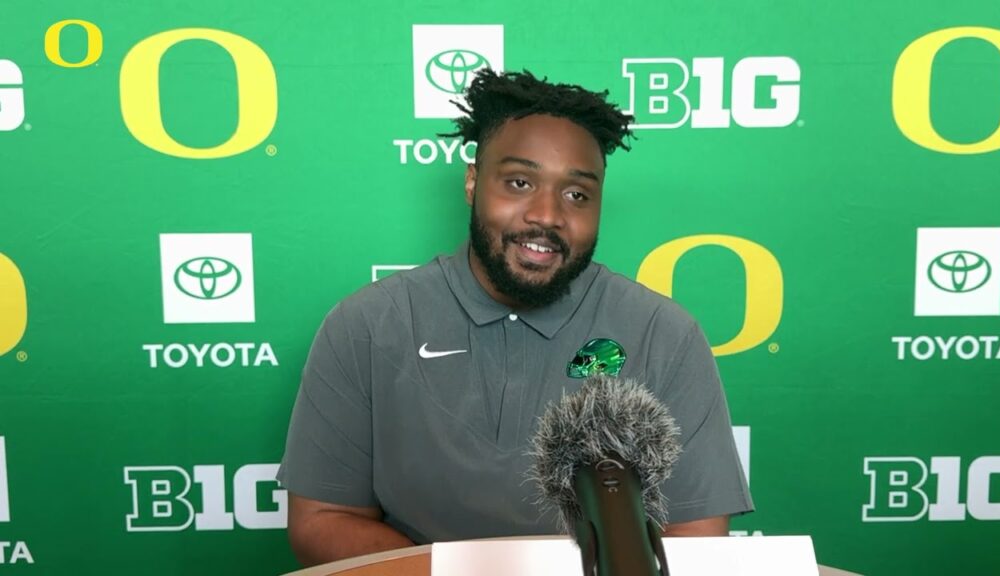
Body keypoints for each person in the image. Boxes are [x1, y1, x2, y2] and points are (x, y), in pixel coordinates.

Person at [277, 69, 753, 566]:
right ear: (472, 181)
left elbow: (695, 531)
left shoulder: (665, 333)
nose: (546, 214)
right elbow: (322, 519)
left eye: (577, 195)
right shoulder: (367, 326)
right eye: (520, 182)